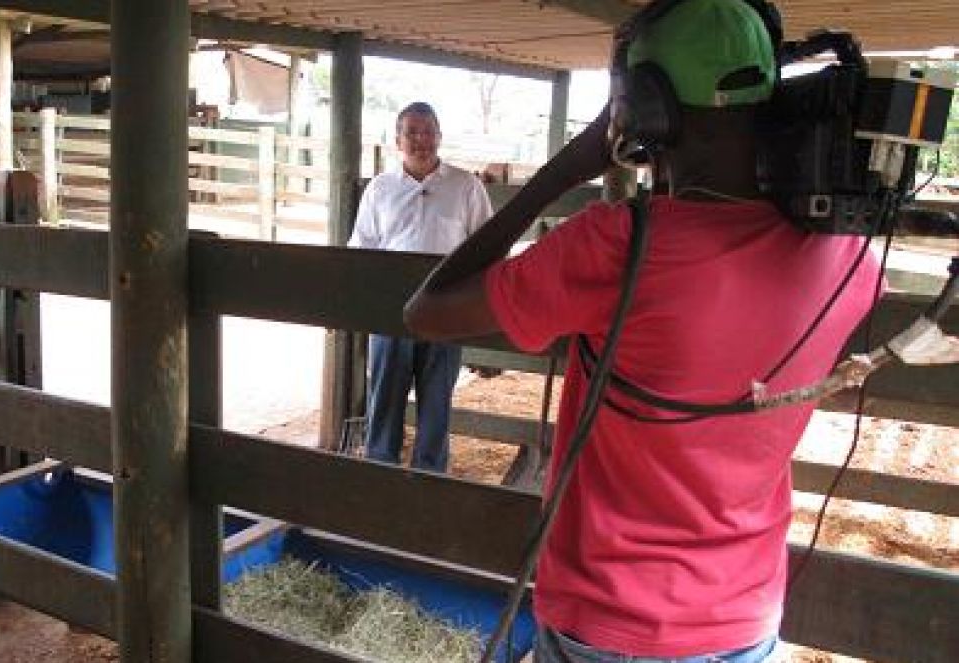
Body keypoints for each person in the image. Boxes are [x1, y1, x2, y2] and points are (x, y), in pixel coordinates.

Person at [403, 0, 880, 661]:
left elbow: (427, 311)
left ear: (647, 109)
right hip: (744, 623)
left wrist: (562, 172)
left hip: (612, 620)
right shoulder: (848, 256)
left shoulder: (617, 246)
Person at [348, 102, 493, 472]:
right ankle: (380, 470)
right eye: (411, 132)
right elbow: (362, 248)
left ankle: (430, 477)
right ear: (398, 140)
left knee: (437, 401)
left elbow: (488, 247)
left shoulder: (466, 186)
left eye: (428, 131)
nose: (420, 139)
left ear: (439, 137)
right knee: (385, 396)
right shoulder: (380, 189)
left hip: (447, 310)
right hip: (392, 310)